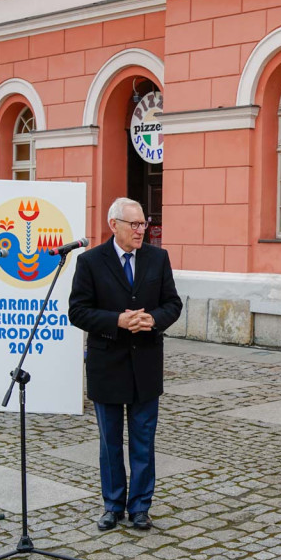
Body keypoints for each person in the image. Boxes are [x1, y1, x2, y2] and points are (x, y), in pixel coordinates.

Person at [69, 197, 183, 532]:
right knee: (109, 442)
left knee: (143, 441)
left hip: (146, 363)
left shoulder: (157, 258)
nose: (140, 231)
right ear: (113, 225)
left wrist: (153, 319)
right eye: (133, 225)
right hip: (107, 363)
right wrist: (117, 320)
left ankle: (140, 508)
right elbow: (77, 311)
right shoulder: (90, 261)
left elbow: (172, 303)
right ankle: (112, 504)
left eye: (143, 224)